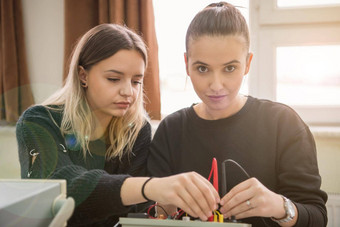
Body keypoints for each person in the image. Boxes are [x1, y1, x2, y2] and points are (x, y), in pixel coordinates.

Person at [16, 23, 219, 226]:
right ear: (83, 75)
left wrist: (162, 208)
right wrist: (150, 187)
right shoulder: (38, 122)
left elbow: (134, 213)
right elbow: (61, 186)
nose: (128, 92)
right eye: (114, 79)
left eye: (136, 81)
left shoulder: (137, 130)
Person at [147, 2, 328, 227]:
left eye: (230, 68)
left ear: (247, 64)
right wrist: (165, 208)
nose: (216, 85)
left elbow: (318, 218)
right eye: (202, 68)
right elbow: (150, 215)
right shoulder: (170, 130)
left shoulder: (284, 124)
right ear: (186, 64)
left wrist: (279, 206)